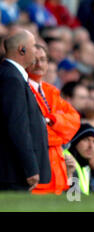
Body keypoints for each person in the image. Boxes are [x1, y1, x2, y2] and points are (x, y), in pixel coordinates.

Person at [0, 28, 51, 191]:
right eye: (34, 46)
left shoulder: (12, 75)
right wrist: (30, 166)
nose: (37, 51)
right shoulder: (11, 78)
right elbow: (17, 125)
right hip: (13, 171)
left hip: (14, 170)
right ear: (22, 49)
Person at [26, 44, 80, 194]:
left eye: (43, 59)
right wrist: (59, 131)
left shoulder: (51, 91)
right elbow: (35, 131)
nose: (39, 64)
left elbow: (74, 120)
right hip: (38, 165)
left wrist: (52, 120)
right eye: (35, 60)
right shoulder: (23, 89)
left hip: (57, 166)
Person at [64, 123, 94, 195]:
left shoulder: (84, 163)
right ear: (75, 141)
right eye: (86, 140)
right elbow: (73, 196)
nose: (91, 146)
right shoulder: (67, 160)